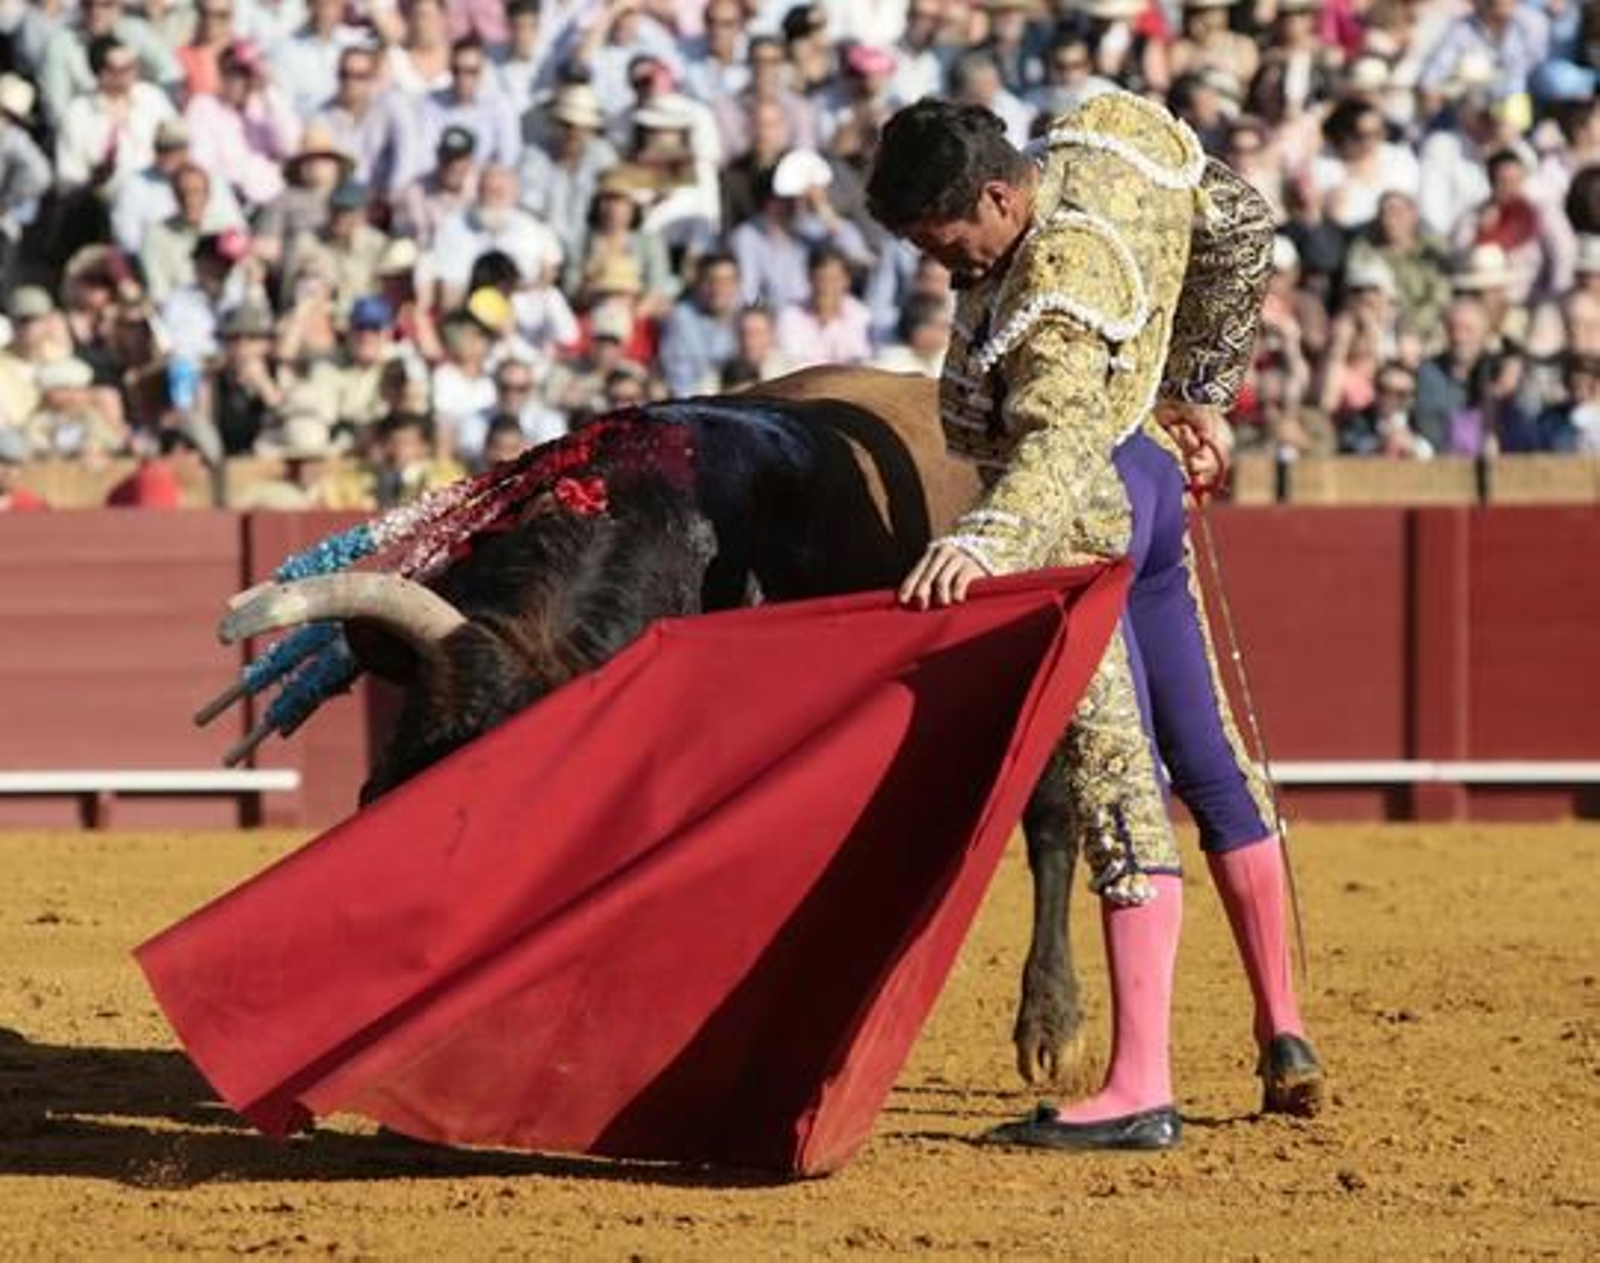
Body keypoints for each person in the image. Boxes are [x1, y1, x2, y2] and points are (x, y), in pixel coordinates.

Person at [866, 95, 1323, 1152]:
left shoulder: (1052, 295)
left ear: (996, 193)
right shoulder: (1104, 144)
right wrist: (1200, 389)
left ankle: (1138, 1087)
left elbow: (1057, 446)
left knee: (1121, 793)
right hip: (1154, 481)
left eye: (945, 236)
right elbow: (1242, 223)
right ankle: (1283, 1029)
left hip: (1090, 523)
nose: (941, 262)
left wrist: (983, 541)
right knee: (1210, 760)